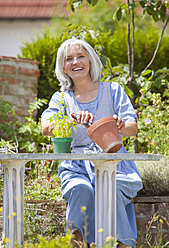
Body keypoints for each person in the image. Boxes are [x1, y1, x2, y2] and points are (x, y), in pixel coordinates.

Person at [41, 37, 143, 248]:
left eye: (81, 56)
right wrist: (70, 119)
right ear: (63, 67)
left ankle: (122, 244)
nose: (76, 62)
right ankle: (77, 242)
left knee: (110, 188)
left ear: (90, 61)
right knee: (81, 189)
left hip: (114, 163)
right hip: (77, 166)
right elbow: (45, 128)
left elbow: (133, 128)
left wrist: (121, 125)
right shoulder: (61, 98)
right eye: (69, 59)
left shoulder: (113, 90)